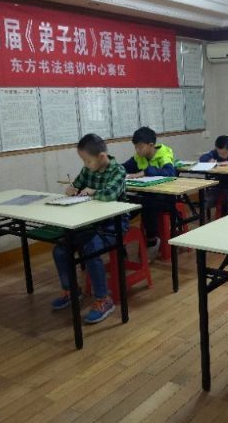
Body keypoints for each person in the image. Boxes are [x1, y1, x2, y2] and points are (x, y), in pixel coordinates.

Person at [51, 133, 128, 324]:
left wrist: (93, 192)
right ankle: (71, 290)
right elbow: (77, 185)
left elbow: (109, 195)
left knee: (91, 247)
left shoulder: (118, 170)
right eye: (83, 161)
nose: (85, 164)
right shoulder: (88, 170)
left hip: (113, 223)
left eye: (87, 160)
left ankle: (103, 299)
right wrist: (72, 190)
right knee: (60, 249)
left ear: (101, 156)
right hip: (90, 221)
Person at [123, 127, 176, 258]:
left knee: (147, 205)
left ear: (151, 145)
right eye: (136, 147)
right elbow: (124, 167)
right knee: (125, 204)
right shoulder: (139, 157)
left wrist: (145, 172)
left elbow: (170, 173)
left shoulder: (163, 154)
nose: (137, 150)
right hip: (147, 195)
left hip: (165, 197)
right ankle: (120, 236)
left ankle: (152, 240)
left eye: (140, 147)